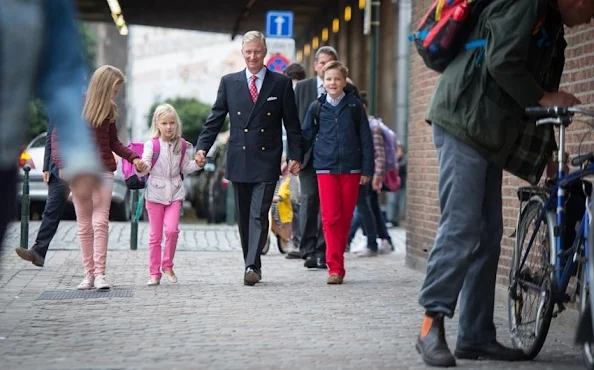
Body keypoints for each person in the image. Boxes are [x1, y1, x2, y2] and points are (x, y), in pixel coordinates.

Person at [415, 0, 594, 367]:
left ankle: (476, 335)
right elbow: (501, 62)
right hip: (464, 121)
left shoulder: (551, 27)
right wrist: (544, 97)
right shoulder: (528, 4)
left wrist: (548, 152)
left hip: (487, 131)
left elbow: (540, 95)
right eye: (592, 8)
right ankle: (429, 325)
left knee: (488, 234)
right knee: (462, 226)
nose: (590, 17)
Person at [194, 31, 302, 286]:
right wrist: (202, 148)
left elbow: (292, 124)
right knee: (244, 216)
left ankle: (252, 265)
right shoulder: (230, 82)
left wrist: (296, 154)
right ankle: (251, 262)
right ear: (242, 53)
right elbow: (215, 118)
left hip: (267, 158)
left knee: (258, 213)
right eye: (248, 52)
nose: (253, 56)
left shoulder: (281, 83)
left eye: (257, 51)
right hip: (238, 157)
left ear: (265, 53)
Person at [0, 0, 103, 261]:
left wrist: (79, 156)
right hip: (52, 164)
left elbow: (62, 76)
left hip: (4, 158)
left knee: (54, 209)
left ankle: (39, 251)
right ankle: (39, 251)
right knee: (51, 209)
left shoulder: (47, 5)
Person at [52, 65, 147, 290]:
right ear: (104, 85)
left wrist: (134, 158)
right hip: (80, 171)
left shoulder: (110, 110)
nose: (116, 94)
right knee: (84, 224)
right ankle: (88, 275)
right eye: (115, 89)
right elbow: (58, 137)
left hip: (104, 169)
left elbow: (114, 141)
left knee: (100, 222)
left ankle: (101, 274)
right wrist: (62, 164)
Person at [301, 61, 374, 284]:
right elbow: (305, 136)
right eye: (329, 79)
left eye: (337, 79)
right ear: (323, 81)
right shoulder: (317, 107)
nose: (333, 83)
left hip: (352, 169)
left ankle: (337, 258)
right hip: (325, 168)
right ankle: (335, 268)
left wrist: (367, 168)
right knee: (331, 218)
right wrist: (293, 159)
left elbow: (366, 139)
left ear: (344, 81)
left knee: (345, 219)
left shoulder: (354, 107)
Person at [294, 46, 359, 270]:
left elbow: (357, 125)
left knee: (330, 208)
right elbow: (293, 123)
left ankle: (324, 251)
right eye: (321, 63)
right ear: (315, 66)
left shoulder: (349, 90)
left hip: (334, 159)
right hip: (307, 156)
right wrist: (293, 155)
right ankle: (308, 249)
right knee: (310, 199)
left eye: (329, 63)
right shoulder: (302, 88)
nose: (324, 68)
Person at [136, 104, 202, 286]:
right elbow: (146, 166)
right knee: (155, 236)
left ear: (176, 124)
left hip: (175, 192)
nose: (168, 127)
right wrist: (140, 167)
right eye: (164, 123)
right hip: (155, 193)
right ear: (157, 124)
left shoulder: (182, 144)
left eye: (172, 123)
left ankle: (167, 265)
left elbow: (185, 167)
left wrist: (197, 164)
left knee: (172, 231)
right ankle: (154, 273)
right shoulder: (152, 144)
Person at [14, 124, 69, 267]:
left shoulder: (85, 104)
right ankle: (38, 252)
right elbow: (50, 137)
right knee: (51, 210)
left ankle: (94, 265)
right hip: (57, 170)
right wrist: (46, 167)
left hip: (80, 165)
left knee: (90, 217)